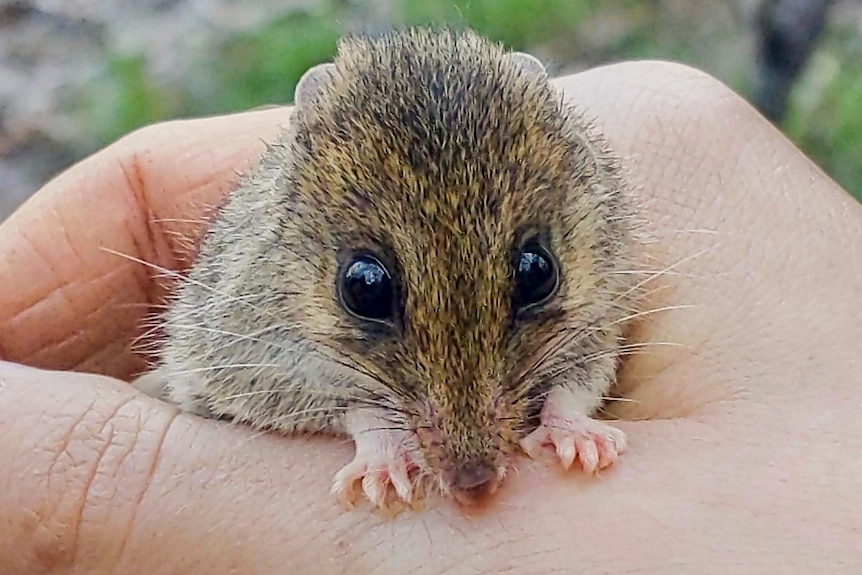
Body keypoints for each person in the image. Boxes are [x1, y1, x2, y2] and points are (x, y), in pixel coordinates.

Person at [1, 61, 860, 574]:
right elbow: (215, 369)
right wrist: (365, 416)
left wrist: (566, 405)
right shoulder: (262, 279)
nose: (472, 461)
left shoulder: (589, 215)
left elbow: (596, 333)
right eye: (370, 293)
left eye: (531, 277)